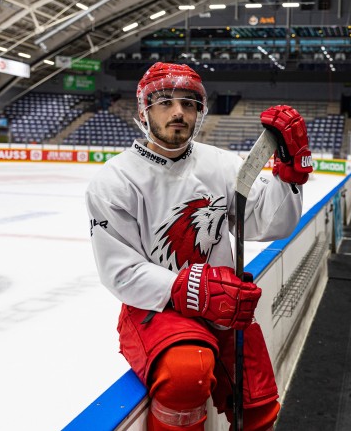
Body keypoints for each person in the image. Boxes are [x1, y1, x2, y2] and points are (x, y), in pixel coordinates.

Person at [86, 62, 313, 431]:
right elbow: (120, 271)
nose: (178, 111)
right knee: (185, 372)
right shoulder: (114, 181)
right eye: (165, 102)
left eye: (189, 103)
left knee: (258, 400)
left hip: (223, 304)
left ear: (200, 112)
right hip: (155, 310)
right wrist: (189, 288)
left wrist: (289, 174)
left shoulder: (221, 164)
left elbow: (269, 222)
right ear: (144, 111)